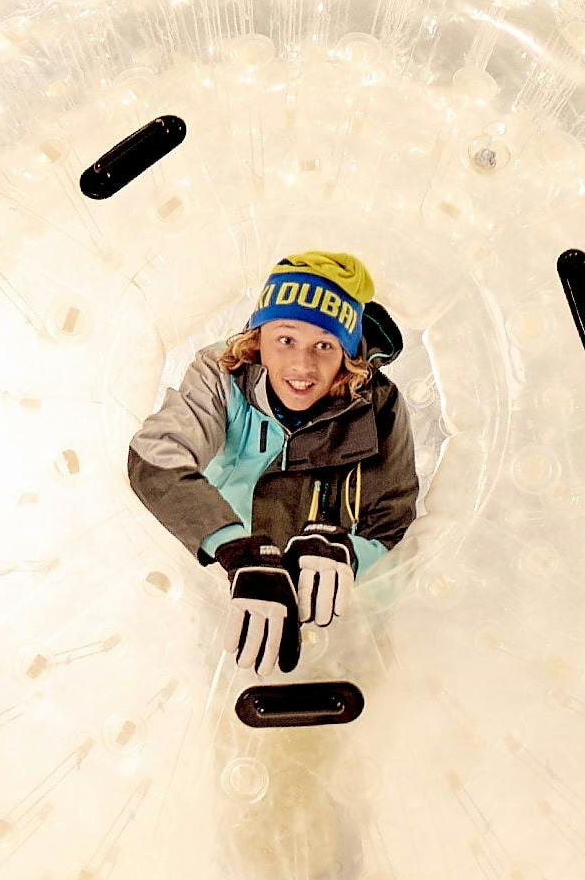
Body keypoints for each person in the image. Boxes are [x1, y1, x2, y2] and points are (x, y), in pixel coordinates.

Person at [127, 250, 420, 675]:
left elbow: (392, 521)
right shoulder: (223, 374)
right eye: (286, 339)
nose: (302, 365)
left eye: (324, 344)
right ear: (257, 338)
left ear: (348, 353)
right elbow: (156, 456)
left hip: (340, 617)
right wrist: (236, 550)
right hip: (226, 590)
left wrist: (347, 555)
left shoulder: (378, 406)